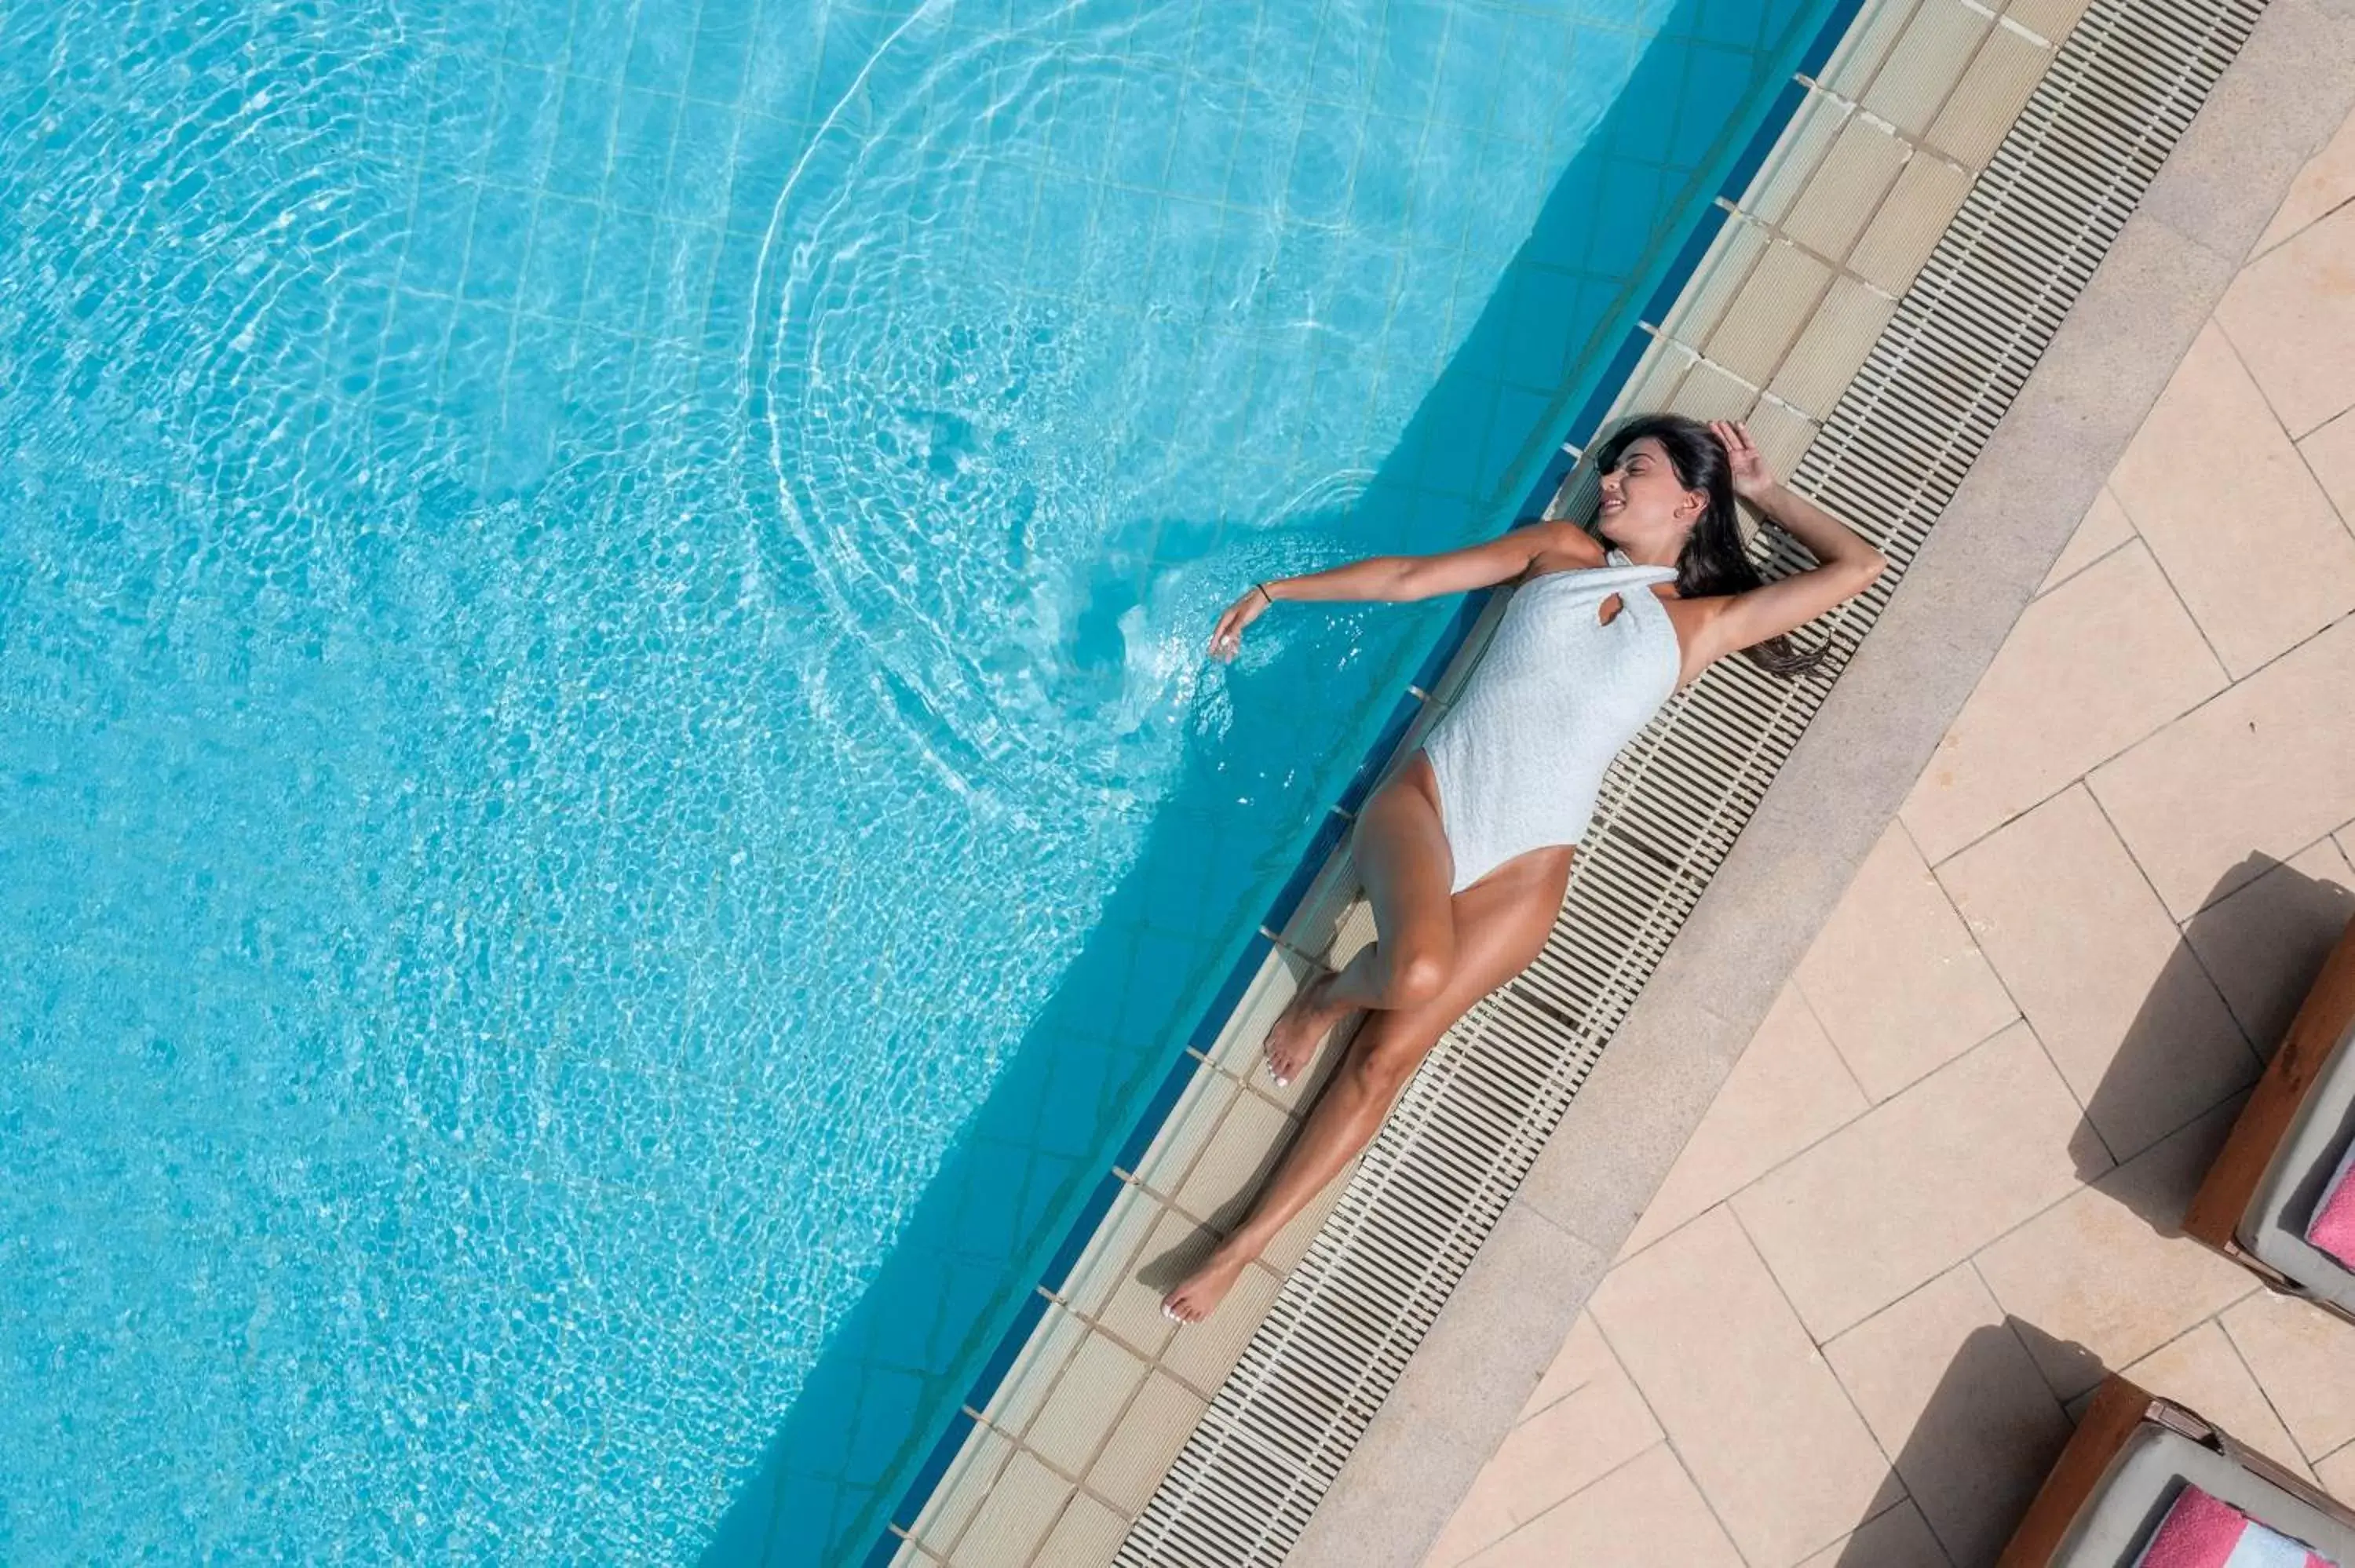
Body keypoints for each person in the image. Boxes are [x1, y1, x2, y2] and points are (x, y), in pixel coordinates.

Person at [1161, 414, 1886, 1322]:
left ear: (1692, 502)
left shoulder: (1703, 627)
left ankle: (1242, 1247)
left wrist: (1765, 490)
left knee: (1388, 1063)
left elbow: (1856, 568)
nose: (1610, 483)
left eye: (1635, 471)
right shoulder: (1558, 553)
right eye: (1612, 468)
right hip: (1429, 804)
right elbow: (1411, 578)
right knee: (1415, 971)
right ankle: (1331, 995)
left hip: (1530, 867)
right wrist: (1279, 590)